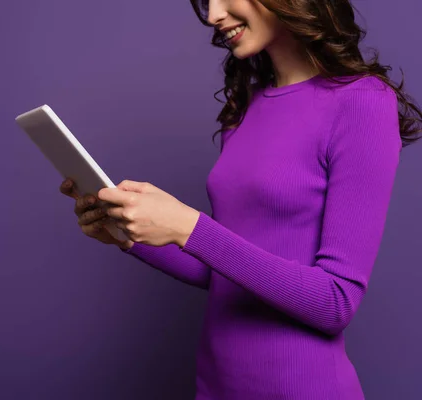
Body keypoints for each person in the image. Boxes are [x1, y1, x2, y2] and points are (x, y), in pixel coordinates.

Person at [60, 0, 422, 399]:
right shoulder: (245, 109)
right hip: (217, 386)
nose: (214, 14)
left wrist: (188, 226)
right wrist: (128, 237)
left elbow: (336, 302)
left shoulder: (363, 101)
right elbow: (226, 273)